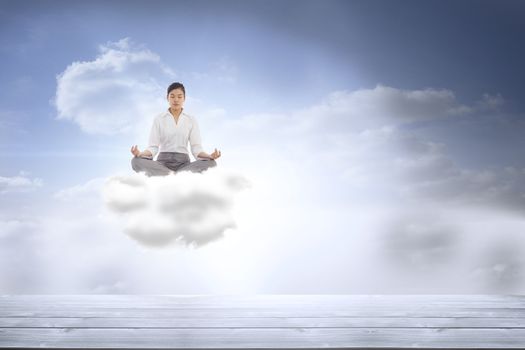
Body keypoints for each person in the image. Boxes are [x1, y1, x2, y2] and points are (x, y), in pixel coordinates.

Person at [130, 82, 221, 176]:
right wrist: (140, 154)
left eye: (179, 96)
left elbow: (196, 148)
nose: (176, 100)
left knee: (212, 164)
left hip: (184, 165)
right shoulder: (159, 118)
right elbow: (153, 147)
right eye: (172, 96)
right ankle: (178, 176)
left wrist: (209, 156)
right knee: (136, 161)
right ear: (167, 98)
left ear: (184, 98)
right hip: (162, 164)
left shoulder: (191, 119)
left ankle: (168, 176)